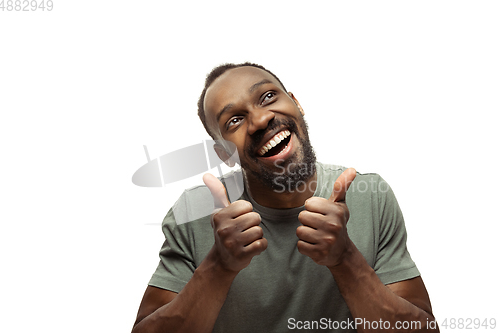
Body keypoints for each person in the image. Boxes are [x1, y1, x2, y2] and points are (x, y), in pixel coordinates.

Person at [131, 63, 439, 333]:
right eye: (234, 120)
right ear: (224, 153)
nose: (261, 120)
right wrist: (219, 266)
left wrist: (345, 259)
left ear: (296, 103)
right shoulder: (194, 213)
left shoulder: (370, 197)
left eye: (267, 97)